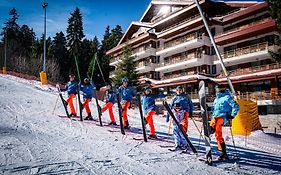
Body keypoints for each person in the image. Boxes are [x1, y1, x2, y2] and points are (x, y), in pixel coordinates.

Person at [210, 84, 240, 160]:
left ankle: (211, 129)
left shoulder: (227, 97)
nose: (217, 91)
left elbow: (236, 106)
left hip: (222, 117)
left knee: (214, 125)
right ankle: (224, 153)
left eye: (218, 89)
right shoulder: (216, 99)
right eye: (216, 89)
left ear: (222, 89)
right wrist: (209, 109)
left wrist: (232, 115)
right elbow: (214, 109)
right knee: (218, 134)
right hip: (215, 117)